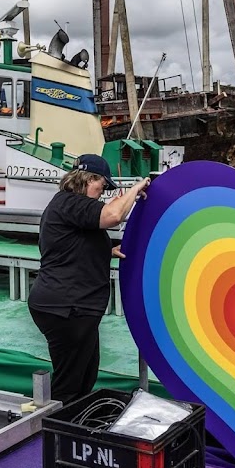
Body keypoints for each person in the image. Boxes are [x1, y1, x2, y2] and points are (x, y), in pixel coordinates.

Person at [28, 154, 151, 405]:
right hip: (66, 306)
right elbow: (113, 216)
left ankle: (71, 421)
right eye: (102, 185)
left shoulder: (67, 206)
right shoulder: (71, 202)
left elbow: (67, 246)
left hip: (70, 305)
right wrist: (135, 189)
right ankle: (52, 432)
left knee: (85, 374)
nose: (103, 192)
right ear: (87, 179)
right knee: (70, 382)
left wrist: (107, 251)